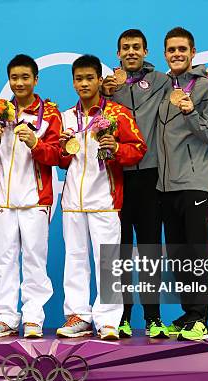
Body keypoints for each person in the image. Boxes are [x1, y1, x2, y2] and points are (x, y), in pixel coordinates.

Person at [102, 29, 208, 338]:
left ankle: (166, 317)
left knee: (160, 252)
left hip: (158, 179)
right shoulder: (116, 85)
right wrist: (107, 90)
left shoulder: (168, 82)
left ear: (147, 51)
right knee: (134, 253)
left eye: (137, 46)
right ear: (118, 52)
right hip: (127, 178)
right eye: (125, 47)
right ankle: (119, 316)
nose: (131, 51)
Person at [56, 55, 146, 340]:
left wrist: (117, 147)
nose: (84, 83)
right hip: (72, 201)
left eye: (89, 78)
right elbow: (60, 160)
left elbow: (139, 148)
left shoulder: (117, 114)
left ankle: (108, 320)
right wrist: (61, 151)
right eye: (79, 79)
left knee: (107, 262)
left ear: (98, 80)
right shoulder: (66, 117)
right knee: (74, 259)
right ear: (73, 82)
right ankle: (78, 316)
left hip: (105, 201)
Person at [156, 27, 208, 341]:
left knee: (200, 254)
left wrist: (191, 114)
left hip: (198, 183)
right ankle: (189, 314)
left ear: (193, 52)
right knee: (179, 256)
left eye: (182, 49)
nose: (176, 54)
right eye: (171, 49)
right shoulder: (160, 86)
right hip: (166, 186)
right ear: (165, 54)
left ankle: (201, 318)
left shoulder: (207, 86)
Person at [0, 54, 62, 338]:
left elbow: (58, 155)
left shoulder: (50, 114)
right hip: (3, 197)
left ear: (36, 79)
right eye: (14, 78)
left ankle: (32, 318)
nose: (19, 83)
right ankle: (5, 316)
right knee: (3, 259)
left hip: (35, 199)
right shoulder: (0, 111)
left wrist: (36, 143)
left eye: (25, 77)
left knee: (34, 260)